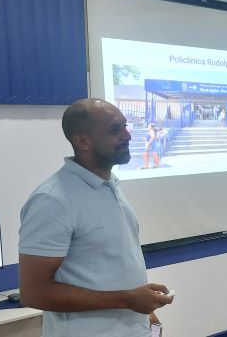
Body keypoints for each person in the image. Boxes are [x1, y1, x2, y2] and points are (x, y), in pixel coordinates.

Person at [18, 99, 173, 337]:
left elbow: (111, 263)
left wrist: (146, 315)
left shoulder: (109, 186)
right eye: (115, 130)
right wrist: (128, 300)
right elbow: (33, 293)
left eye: (125, 126)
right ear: (82, 141)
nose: (127, 135)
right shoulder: (53, 200)